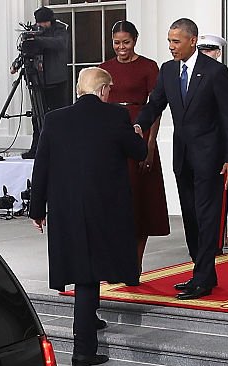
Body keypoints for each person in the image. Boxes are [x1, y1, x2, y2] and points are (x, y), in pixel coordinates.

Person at [29, 67, 146, 366]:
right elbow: (138, 152)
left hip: (67, 208)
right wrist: (137, 133)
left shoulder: (54, 119)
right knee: (88, 274)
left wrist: (36, 209)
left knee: (83, 268)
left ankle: (90, 319)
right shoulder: (115, 117)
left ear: (79, 90)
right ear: (105, 90)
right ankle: (83, 350)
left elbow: (41, 165)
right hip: (103, 208)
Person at [135, 18, 228, 300]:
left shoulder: (216, 73)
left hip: (211, 159)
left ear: (192, 41)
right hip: (183, 157)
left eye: (176, 41)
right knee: (191, 217)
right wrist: (136, 126)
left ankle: (203, 279)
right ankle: (202, 271)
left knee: (207, 218)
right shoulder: (168, 71)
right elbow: (155, 104)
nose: (171, 47)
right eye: (169, 41)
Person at [98, 20, 170, 270]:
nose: (121, 47)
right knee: (113, 201)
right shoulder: (104, 68)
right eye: (116, 43)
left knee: (140, 202)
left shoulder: (149, 67)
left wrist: (150, 145)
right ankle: (114, 260)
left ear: (135, 41)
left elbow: (157, 109)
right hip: (111, 137)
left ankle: (135, 263)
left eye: (126, 42)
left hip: (141, 133)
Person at [18, 6, 71, 158]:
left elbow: (60, 44)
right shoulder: (34, 31)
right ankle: (37, 149)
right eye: (39, 23)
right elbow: (28, 49)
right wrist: (17, 63)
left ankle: (60, 149)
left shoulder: (60, 29)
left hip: (57, 81)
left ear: (50, 21)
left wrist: (38, 40)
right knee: (37, 116)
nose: (41, 26)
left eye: (44, 23)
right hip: (38, 80)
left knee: (58, 116)